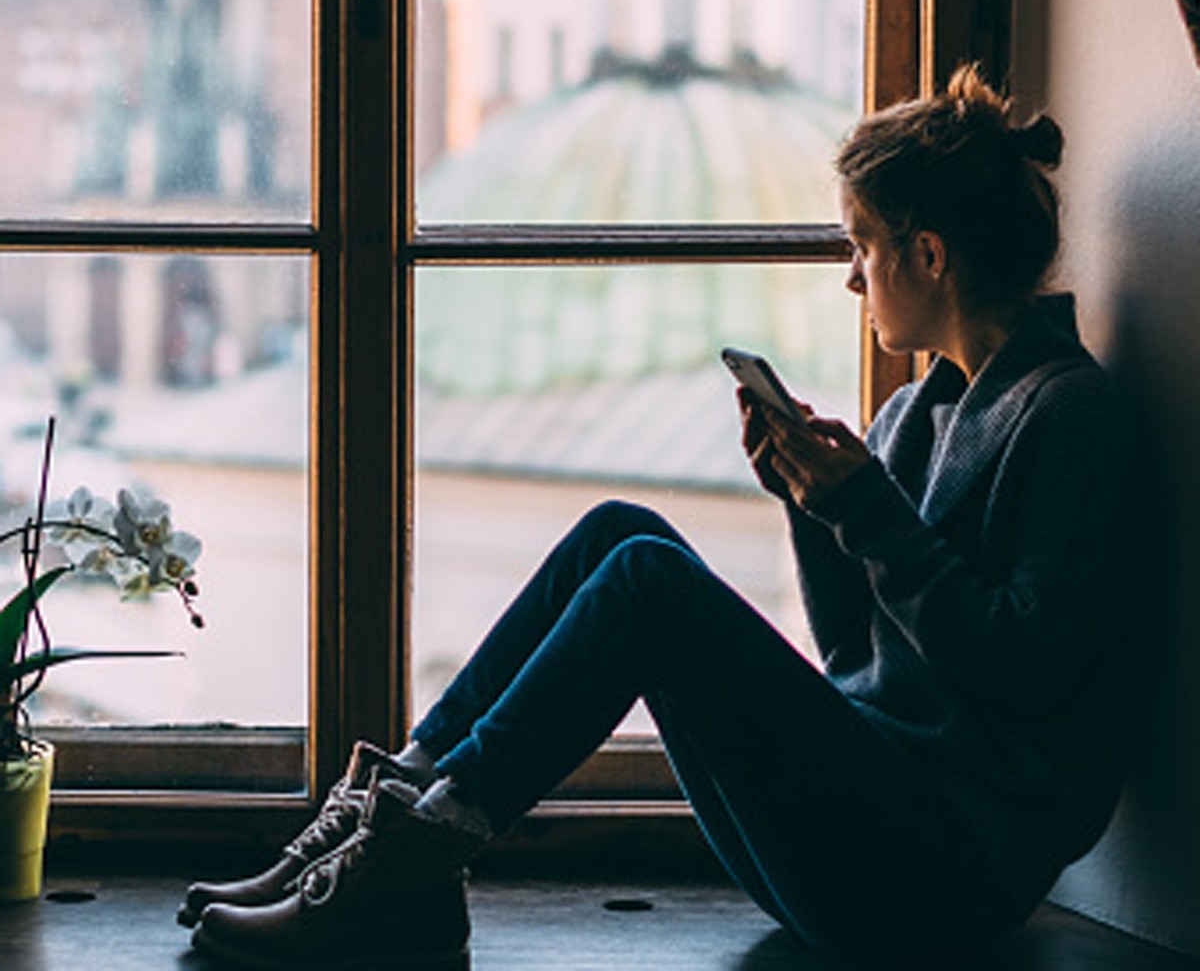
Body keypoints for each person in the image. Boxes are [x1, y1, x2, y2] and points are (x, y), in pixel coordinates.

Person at [181, 66, 1145, 968]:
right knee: (619, 529)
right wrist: (813, 508)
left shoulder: (1069, 415)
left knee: (648, 582)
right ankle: (385, 818)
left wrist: (867, 514)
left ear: (926, 255)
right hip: (872, 825)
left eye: (862, 245)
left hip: (941, 880)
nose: (853, 277)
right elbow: (860, 657)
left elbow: (1026, 673)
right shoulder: (916, 412)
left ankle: (419, 864)